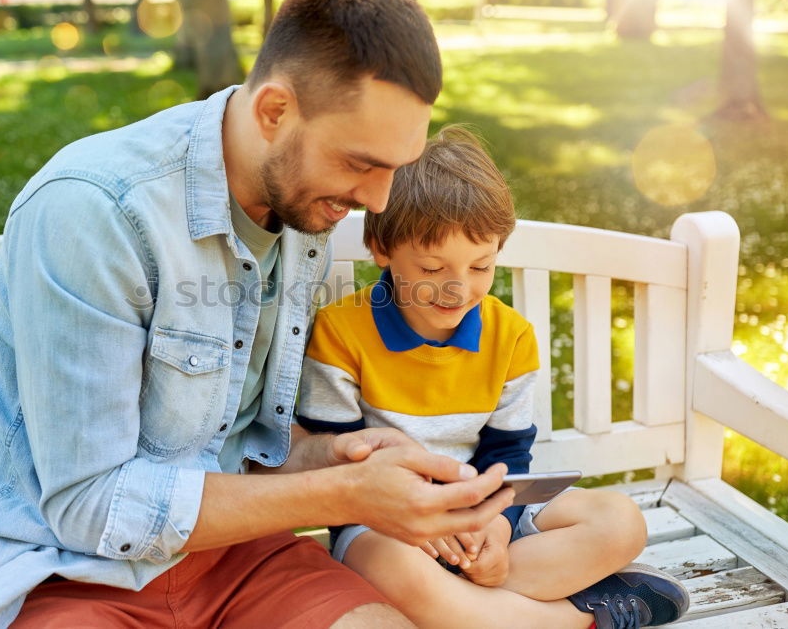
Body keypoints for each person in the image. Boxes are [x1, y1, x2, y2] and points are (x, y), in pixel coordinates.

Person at [0, 0, 517, 628]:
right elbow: (88, 504)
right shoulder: (95, 213)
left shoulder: (305, 210)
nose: (379, 201)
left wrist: (335, 458)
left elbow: (232, 448)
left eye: (396, 166)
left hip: (236, 557)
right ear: (274, 112)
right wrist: (342, 492)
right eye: (363, 163)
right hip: (69, 575)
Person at [296, 126, 691, 629]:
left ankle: (460, 605)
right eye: (433, 268)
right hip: (387, 525)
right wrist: (416, 524)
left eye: (481, 266)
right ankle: (582, 618)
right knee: (393, 570)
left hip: (487, 513)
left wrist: (497, 532)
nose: (458, 289)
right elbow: (340, 461)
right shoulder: (340, 334)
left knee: (620, 522)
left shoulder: (510, 337)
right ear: (382, 248)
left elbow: (506, 455)